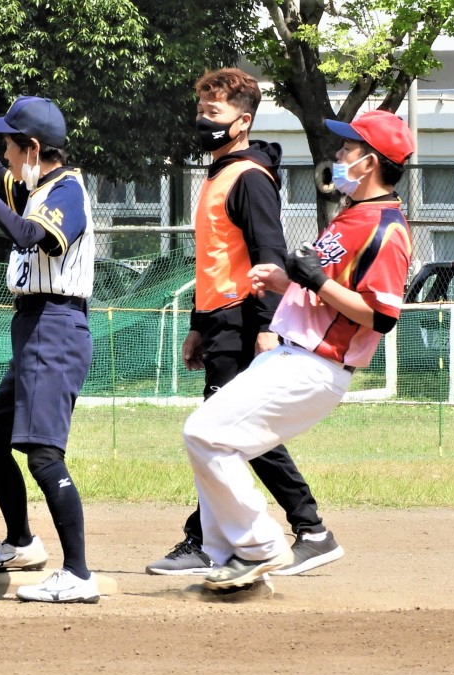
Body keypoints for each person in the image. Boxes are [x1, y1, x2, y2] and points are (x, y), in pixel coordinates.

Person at [183, 109, 415, 590]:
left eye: (348, 148)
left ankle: (260, 547)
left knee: (207, 434)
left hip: (317, 363)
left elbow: (381, 316)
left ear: (370, 162)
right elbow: (320, 288)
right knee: (213, 438)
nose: (339, 155)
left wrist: (314, 280)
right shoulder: (353, 215)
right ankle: (229, 558)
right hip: (290, 355)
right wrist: (286, 280)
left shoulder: (387, 228)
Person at [145, 68, 343, 578]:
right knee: (224, 433)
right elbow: (214, 260)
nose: (203, 120)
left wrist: (265, 327)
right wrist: (197, 322)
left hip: (241, 320)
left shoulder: (249, 177)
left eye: (214, 112)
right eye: (200, 111)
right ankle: (218, 540)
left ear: (243, 121)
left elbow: (268, 256)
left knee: (226, 431)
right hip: (218, 320)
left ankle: (306, 530)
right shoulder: (219, 174)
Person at [0, 61, 99, 603]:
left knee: (43, 455)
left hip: (56, 326)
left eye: (11, 146)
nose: (6, 156)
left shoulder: (67, 194)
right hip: (34, 325)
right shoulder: (39, 185)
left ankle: (79, 574)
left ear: (33, 149)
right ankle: (21, 543)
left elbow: (26, 235)